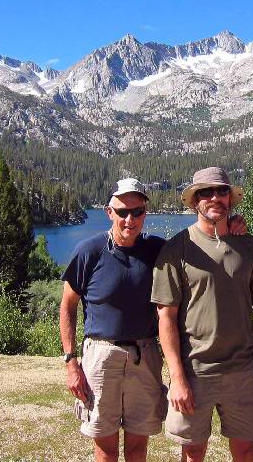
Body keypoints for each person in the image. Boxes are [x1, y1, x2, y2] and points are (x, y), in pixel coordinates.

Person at [152, 167, 253, 462]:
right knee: (193, 451)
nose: (214, 197)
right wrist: (176, 377)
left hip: (242, 371)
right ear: (195, 200)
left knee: (246, 449)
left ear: (230, 198)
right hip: (195, 371)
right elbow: (166, 318)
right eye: (205, 192)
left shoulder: (250, 247)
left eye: (221, 191)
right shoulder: (177, 250)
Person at [59, 178, 166, 462]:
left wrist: (229, 226)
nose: (130, 219)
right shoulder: (89, 251)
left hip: (144, 355)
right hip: (101, 356)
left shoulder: (157, 250)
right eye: (122, 212)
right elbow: (67, 306)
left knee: (138, 447)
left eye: (137, 212)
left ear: (145, 213)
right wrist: (70, 362)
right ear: (109, 212)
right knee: (105, 448)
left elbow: (197, 244)